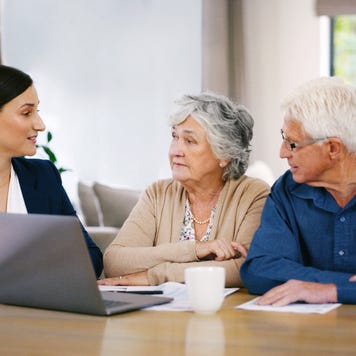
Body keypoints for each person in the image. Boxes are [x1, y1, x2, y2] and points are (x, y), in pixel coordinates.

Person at [99, 92, 270, 287]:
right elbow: (114, 261)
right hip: (160, 315)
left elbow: (244, 268)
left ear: (224, 154)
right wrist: (195, 249)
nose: (175, 151)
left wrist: (154, 276)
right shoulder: (158, 194)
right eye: (174, 137)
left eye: (189, 141)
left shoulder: (253, 195)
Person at [240, 76, 356, 305]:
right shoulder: (287, 190)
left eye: (292, 143)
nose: (282, 153)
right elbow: (260, 269)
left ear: (333, 148)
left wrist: (329, 291)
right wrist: (338, 284)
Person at [0, 64, 103, 278]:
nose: (40, 125)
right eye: (27, 113)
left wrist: (37, 272)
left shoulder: (43, 176)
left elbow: (91, 257)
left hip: (34, 308)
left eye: (37, 111)